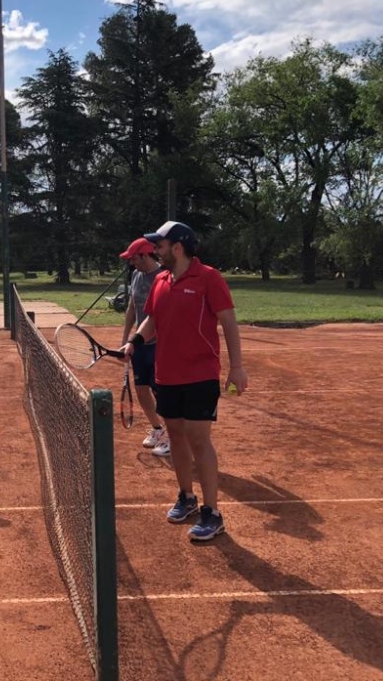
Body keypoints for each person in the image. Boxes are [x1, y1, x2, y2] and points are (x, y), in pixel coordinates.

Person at [121, 221, 249, 541]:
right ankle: (186, 497)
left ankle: (212, 512)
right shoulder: (161, 280)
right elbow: (151, 319)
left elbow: (229, 323)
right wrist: (134, 342)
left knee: (197, 438)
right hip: (167, 374)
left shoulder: (209, 278)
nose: (156, 250)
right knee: (175, 434)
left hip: (200, 374)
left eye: (160, 246)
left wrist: (237, 367)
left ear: (177, 247)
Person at [118, 237, 172, 457]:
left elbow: (163, 315)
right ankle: (158, 430)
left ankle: (172, 437)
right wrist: (127, 339)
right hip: (139, 344)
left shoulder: (164, 277)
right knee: (141, 391)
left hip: (160, 346)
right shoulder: (136, 275)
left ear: (145, 255)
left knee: (163, 393)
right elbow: (132, 307)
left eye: (133, 258)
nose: (131, 263)